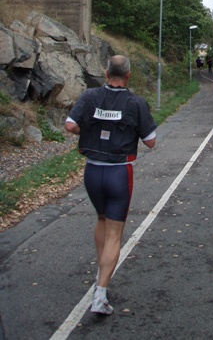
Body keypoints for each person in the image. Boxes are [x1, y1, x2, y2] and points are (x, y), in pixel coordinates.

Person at [64, 55, 157, 316]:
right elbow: (150, 141)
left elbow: (70, 124)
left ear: (106, 74)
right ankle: (100, 295)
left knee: (101, 219)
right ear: (128, 76)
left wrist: (90, 131)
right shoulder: (135, 102)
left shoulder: (89, 97)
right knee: (115, 233)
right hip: (118, 173)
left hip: (92, 171)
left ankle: (100, 270)